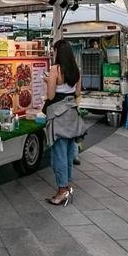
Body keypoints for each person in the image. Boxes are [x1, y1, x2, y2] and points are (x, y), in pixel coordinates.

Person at [43, 39, 83, 206]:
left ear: (59, 52)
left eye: (54, 51)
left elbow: (50, 96)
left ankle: (62, 190)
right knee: (68, 153)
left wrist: (48, 81)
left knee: (58, 155)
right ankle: (66, 186)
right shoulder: (76, 70)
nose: (53, 53)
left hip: (58, 116)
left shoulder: (55, 69)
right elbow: (78, 92)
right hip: (72, 115)